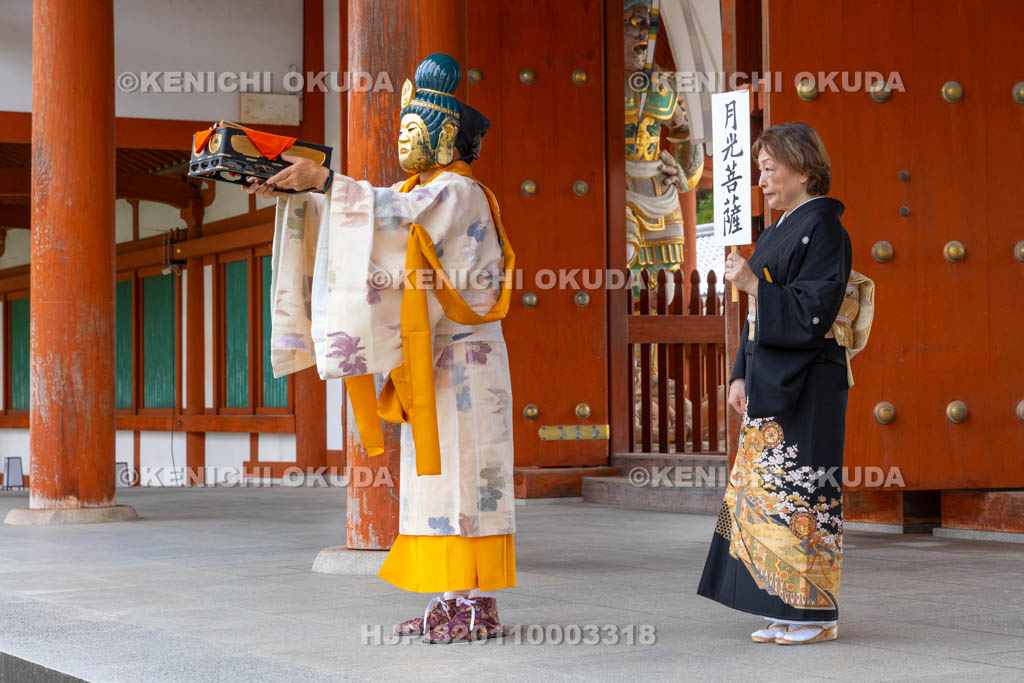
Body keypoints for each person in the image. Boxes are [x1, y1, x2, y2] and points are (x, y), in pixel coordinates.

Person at [247, 53, 516, 644]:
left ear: (445, 136)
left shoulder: (460, 192)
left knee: (467, 478)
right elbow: (366, 217)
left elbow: (388, 216)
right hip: (434, 358)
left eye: (411, 129)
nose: (401, 141)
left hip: (467, 360)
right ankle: (447, 598)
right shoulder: (416, 191)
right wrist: (300, 192)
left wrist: (325, 184)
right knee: (434, 481)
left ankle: (476, 603)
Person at [697, 122, 852, 645]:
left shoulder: (825, 229)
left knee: (804, 494)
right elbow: (757, 312)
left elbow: (814, 310)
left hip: (810, 379)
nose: (762, 179)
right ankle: (784, 606)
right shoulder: (779, 228)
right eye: (759, 169)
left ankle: (815, 615)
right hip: (771, 374)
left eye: (770, 169)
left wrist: (751, 284)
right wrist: (740, 370)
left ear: (804, 169)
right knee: (766, 496)